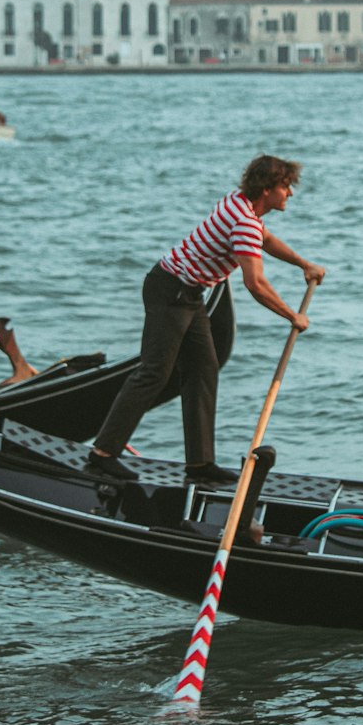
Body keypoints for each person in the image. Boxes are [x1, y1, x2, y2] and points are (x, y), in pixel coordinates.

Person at [89, 153, 325, 485]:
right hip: (170, 291)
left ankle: (199, 465)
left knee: (203, 369)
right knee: (154, 372)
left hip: (188, 294)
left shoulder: (242, 205)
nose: (290, 193)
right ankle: (102, 454)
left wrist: (303, 264)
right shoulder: (242, 221)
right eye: (285, 187)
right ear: (267, 189)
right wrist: (292, 316)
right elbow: (255, 283)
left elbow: (265, 240)